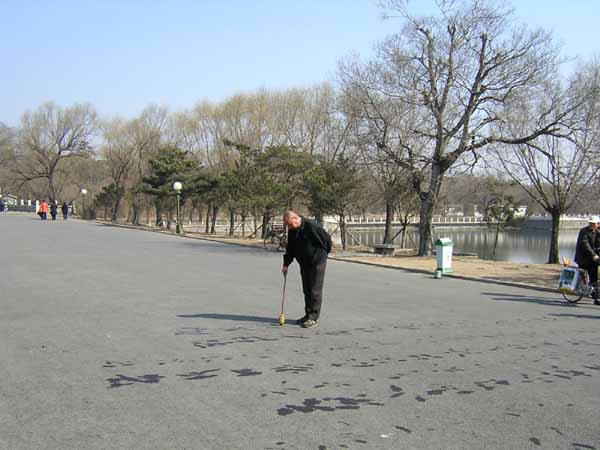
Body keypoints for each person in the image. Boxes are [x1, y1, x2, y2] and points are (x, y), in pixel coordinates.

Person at [281, 210, 332, 328]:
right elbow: (290, 249)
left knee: (315, 290)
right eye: (287, 225)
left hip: (317, 262)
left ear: (295, 218)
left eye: (289, 224)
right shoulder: (292, 231)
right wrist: (286, 264)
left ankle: (313, 318)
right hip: (304, 263)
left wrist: (322, 255)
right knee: (307, 289)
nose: (289, 227)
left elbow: (327, 240)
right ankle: (308, 314)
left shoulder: (312, 225)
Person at [575, 215, 600, 305]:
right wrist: (594, 255)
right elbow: (585, 245)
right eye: (591, 223)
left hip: (593, 258)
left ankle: (596, 297)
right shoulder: (583, 232)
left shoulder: (598, 232)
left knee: (595, 278)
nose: (592, 225)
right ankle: (585, 289)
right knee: (591, 275)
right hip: (583, 258)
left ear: (598, 224)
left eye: (594, 223)